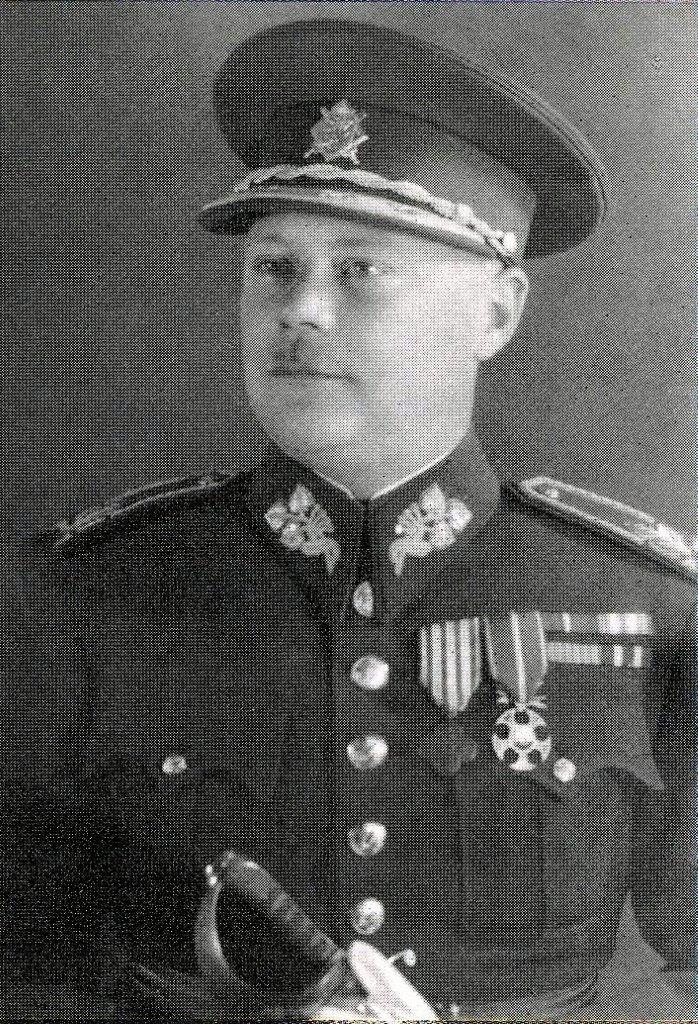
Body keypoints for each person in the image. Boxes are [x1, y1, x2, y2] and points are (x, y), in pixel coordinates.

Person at [2, 17, 695, 1023]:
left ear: (496, 313)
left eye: (360, 270)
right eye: (274, 267)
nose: (302, 311)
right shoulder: (81, 590)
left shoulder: (652, 607)